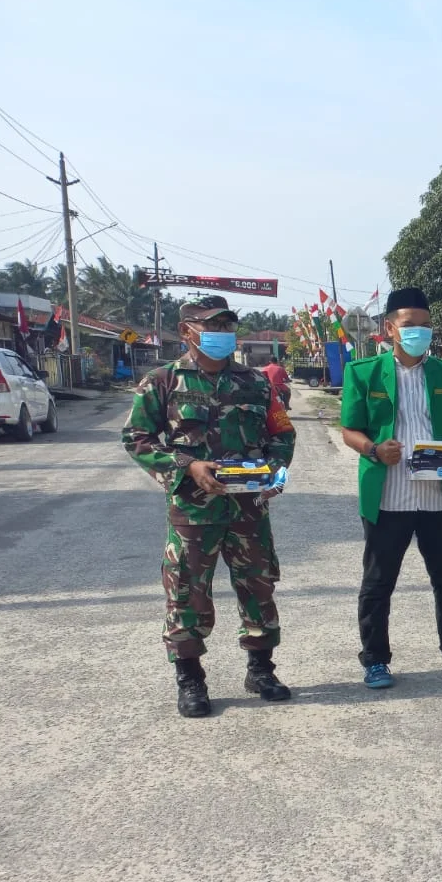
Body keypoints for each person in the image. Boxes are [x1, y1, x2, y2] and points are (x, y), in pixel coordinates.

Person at [121, 297, 296, 717]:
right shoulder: (163, 381)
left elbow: (282, 434)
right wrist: (187, 465)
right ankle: (191, 679)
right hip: (193, 511)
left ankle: (261, 670)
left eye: (227, 326)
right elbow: (136, 438)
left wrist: (275, 473)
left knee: (258, 586)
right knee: (186, 592)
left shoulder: (257, 383)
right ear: (187, 331)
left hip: (249, 508)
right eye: (212, 326)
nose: (222, 333)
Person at [339, 286, 442, 689]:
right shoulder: (363, 372)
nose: (419, 331)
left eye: (426, 325)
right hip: (388, 497)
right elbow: (349, 429)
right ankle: (375, 660)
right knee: (378, 582)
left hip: (437, 496)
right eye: (409, 324)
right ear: (390, 329)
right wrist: (374, 449)